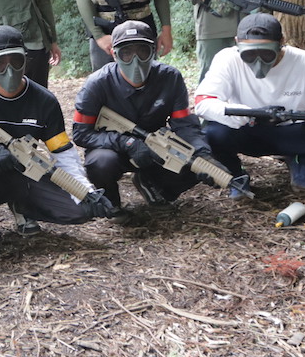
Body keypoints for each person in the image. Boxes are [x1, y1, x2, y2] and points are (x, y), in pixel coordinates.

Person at [0, 26, 114, 259]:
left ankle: (21, 205)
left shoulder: (44, 100)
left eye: (15, 61)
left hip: (24, 172)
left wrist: (86, 192)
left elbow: (63, 153)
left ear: (25, 61)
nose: (9, 70)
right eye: (0, 63)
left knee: (79, 211)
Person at [194, 13, 305, 193]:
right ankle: (236, 176)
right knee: (211, 135)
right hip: (247, 131)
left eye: (266, 53)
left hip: (293, 132)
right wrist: (247, 114)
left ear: (281, 42)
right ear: (237, 42)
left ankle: (302, 162)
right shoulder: (227, 59)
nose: (258, 62)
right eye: (249, 54)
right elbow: (203, 102)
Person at [72, 20, 218, 220]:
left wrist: (204, 156)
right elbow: (81, 133)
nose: (135, 60)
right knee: (101, 163)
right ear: (114, 54)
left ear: (154, 51)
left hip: (156, 149)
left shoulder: (170, 78)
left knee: (193, 161)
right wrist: (126, 143)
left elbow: (185, 126)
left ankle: (154, 186)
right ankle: (111, 204)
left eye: (142, 51)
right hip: (113, 149)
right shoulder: (96, 84)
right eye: (126, 53)